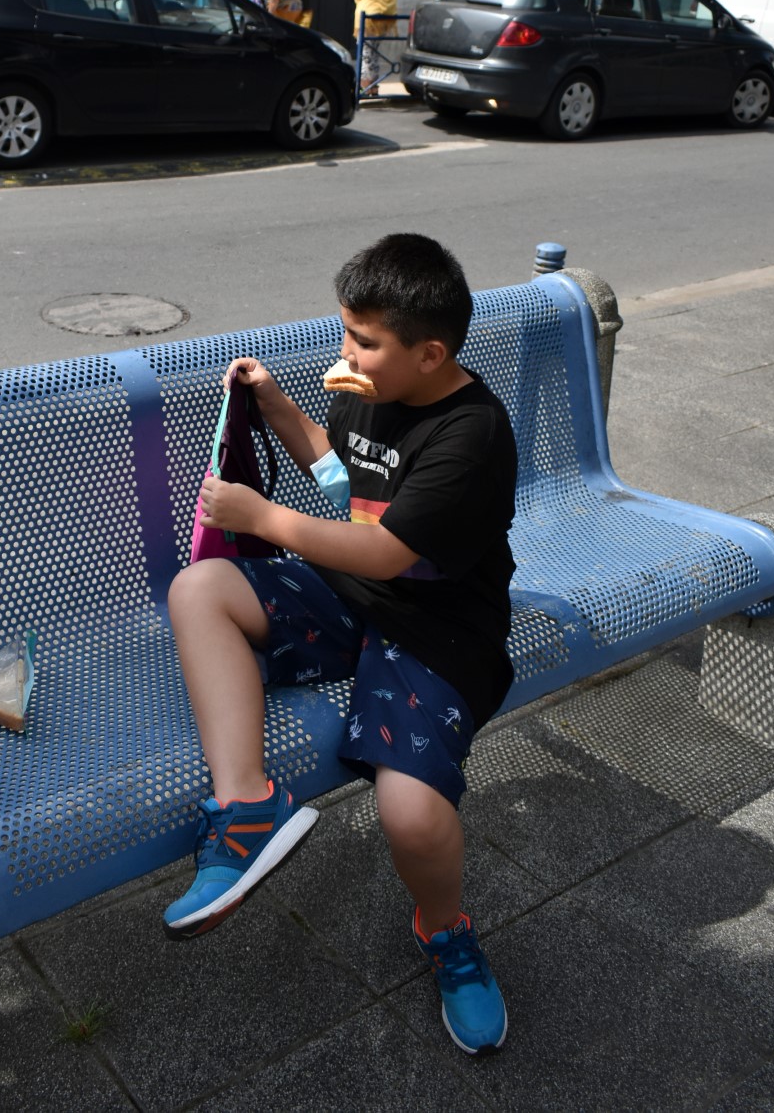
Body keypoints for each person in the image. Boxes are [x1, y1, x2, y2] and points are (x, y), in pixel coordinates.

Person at [165, 232, 516, 1056]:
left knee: (413, 813)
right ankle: (248, 807)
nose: (345, 351)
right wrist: (278, 403)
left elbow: (388, 550)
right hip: (348, 594)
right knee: (200, 589)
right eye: (345, 331)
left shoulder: (470, 433)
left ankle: (445, 932)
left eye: (365, 340)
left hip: (436, 629)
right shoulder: (363, 390)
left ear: (431, 354)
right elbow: (340, 479)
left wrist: (260, 519)